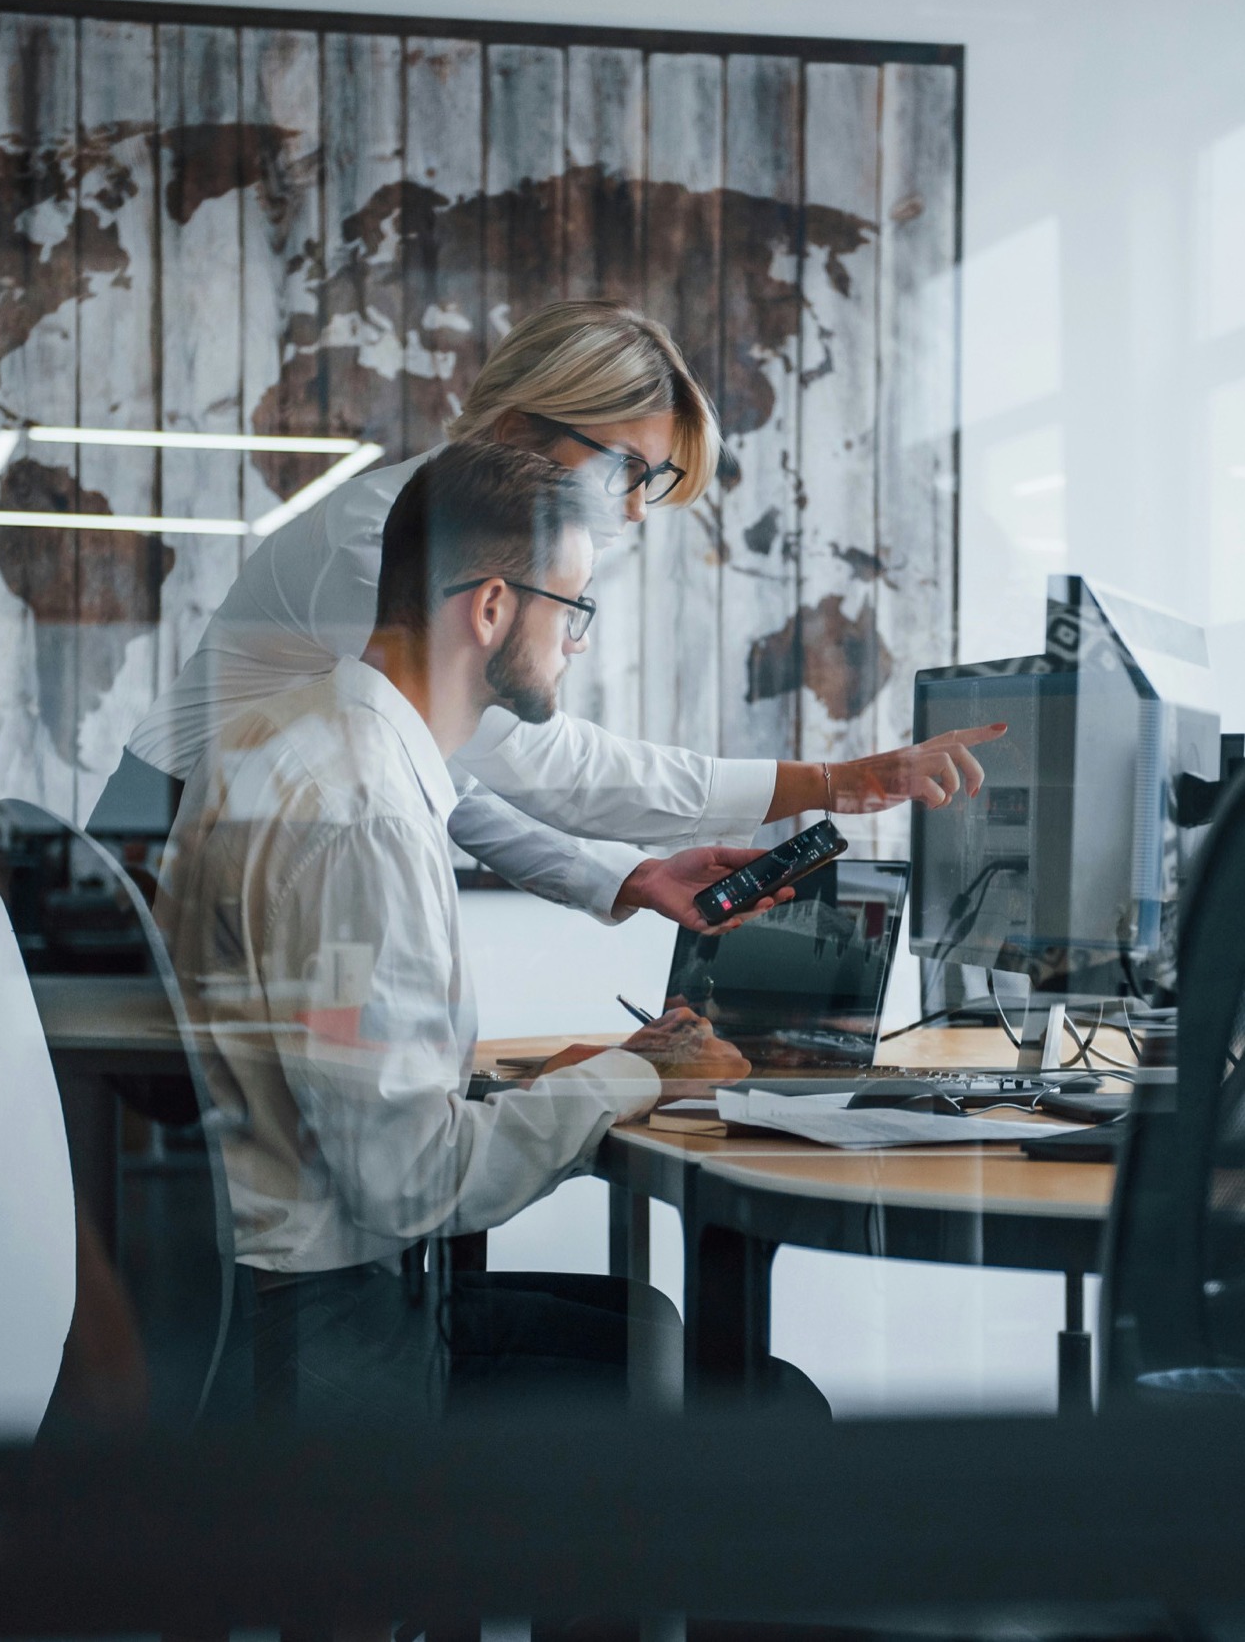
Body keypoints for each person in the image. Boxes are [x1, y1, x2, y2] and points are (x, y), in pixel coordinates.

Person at [156, 441, 778, 1420]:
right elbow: (406, 1179)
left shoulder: (277, 741)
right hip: (335, 1335)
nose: (577, 641)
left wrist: (610, 1061)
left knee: (658, 1332)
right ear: (490, 608)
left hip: (243, 1299)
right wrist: (638, 1073)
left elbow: (340, 1054)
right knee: (760, 1401)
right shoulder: (361, 815)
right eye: (571, 609)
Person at [116, 299, 1004, 935]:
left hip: (223, 847)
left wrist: (629, 875)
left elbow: (451, 786)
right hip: (162, 850)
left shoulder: (435, 538)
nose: (636, 512)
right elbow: (546, 768)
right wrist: (830, 780)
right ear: (516, 428)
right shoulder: (385, 537)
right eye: (629, 469)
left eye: (653, 485)